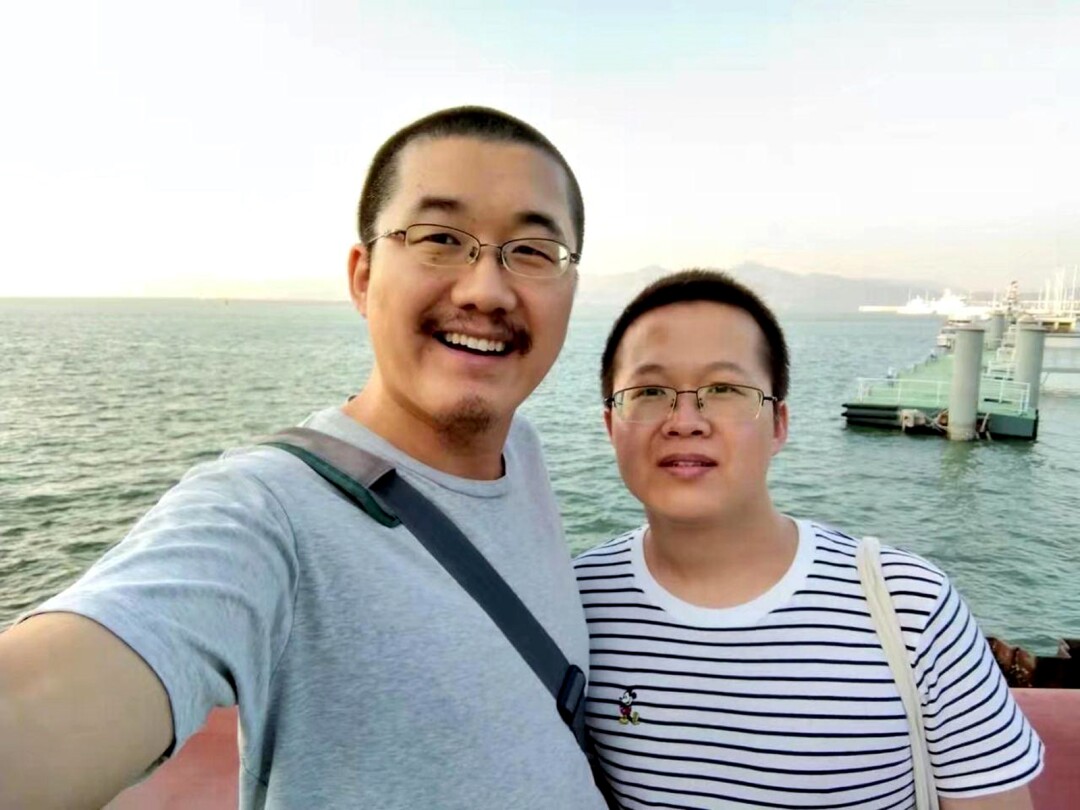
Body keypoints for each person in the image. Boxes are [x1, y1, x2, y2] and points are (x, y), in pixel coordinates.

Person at [0, 107, 608, 810]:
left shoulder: (520, 452)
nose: (486, 290)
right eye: (441, 238)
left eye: (532, 251)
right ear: (362, 276)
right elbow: (49, 692)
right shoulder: (270, 513)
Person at [574, 269, 1043, 809]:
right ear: (611, 426)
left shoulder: (909, 605)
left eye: (725, 390)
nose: (685, 420)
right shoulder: (576, 601)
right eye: (650, 392)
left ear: (779, 425)